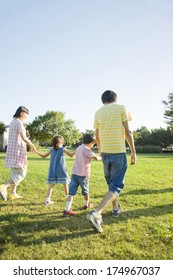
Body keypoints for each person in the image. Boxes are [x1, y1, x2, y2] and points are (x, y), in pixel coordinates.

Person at [86, 90, 137, 232]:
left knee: (111, 184)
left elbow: (96, 135)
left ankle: (115, 209)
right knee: (116, 185)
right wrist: (133, 151)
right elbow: (128, 132)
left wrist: (100, 150)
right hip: (118, 152)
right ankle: (96, 213)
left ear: (103, 100)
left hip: (106, 152)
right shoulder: (122, 107)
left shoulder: (98, 112)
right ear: (115, 98)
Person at [0, 106, 36, 201]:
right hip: (18, 152)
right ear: (21, 113)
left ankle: (13, 193)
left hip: (12, 151)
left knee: (15, 173)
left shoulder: (13, 122)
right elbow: (24, 138)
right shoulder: (19, 123)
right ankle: (4, 186)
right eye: (26, 114)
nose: (27, 116)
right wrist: (32, 145)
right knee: (22, 173)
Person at [63, 133, 101, 217]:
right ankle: (86, 205)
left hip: (75, 173)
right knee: (85, 191)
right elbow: (95, 158)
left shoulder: (79, 147)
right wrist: (101, 157)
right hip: (83, 174)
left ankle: (67, 209)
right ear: (91, 143)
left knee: (71, 193)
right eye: (93, 144)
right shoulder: (87, 149)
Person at [34, 135, 74, 205]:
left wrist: (36, 152)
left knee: (51, 185)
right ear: (60, 143)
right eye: (62, 142)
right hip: (61, 169)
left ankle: (47, 200)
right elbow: (71, 155)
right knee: (65, 183)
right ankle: (67, 197)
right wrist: (79, 150)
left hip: (52, 169)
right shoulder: (63, 149)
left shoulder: (51, 150)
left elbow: (43, 156)